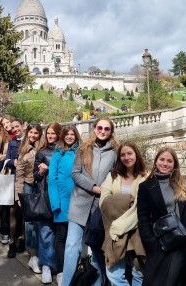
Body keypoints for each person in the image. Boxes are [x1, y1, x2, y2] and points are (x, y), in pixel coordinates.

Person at [137, 146, 186, 286]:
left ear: (174, 164)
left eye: (169, 161)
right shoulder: (146, 187)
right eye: (162, 159)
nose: (165, 163)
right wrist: (152, 243)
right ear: (156, 161)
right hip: (164, 244)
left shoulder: (184, 182)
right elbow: (143, 218)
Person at [62, 117, 119, 286]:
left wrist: (107, 190)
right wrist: (93, 187)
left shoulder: (116, 151)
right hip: (79, 203)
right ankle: (66, 283)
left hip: (100, 207)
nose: (102, 131)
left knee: (96, 249)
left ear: (111, 131)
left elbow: (117, 176)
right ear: (94, 129)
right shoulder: (83, 148)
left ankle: (96, 283)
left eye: (106, 129)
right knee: (72, 247)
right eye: (100, 128)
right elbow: (75, 173)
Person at [100, 141, 147, 286]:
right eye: (122, 155)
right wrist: (129, 202)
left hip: (137, 229)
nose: (126, 157)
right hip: (115, 230)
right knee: (114, 272)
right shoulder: (113, 176)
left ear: (136, 155)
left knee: (138, 272)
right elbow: (104, 201)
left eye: (130, 153)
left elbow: (144, 204)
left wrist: (119, 202)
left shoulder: (146, 176)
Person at [48, 124, 81, 286]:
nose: (69, 137)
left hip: (79, 201)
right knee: (61, 237)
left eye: (72, 134)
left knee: (76, 240)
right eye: (67, 135)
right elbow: (51, 180)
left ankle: (75, 270)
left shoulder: (81, 151)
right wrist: (55, 203)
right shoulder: (57, 154)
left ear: (76, 136)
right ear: (63, 137)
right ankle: (61, 271)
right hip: (61, 202)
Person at [33, 122, 63, 284]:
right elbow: (34, 177)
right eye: (48, 133)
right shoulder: (42, 151)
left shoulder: (64, 152)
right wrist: (41, 171)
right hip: (44, 196)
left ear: (59, 134)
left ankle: (59, 268)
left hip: (60, 198)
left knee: (60, 234)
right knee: (45, 233)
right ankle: (46, 266)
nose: (50, 136)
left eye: (53, 133)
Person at [15, 123, 44, 274]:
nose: (33, 135)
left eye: (35, 133)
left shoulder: (43, 148)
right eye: (30, 133)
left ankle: (42, 253)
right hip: (28, 187)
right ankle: (33, 255)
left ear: (40, 134)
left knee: (42, 220)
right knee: (30, 223)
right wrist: (18, 196)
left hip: (42, 188)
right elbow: (19, 175)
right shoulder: (23, 150)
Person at [6, 119, 25, 257]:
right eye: (13, 127)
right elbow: (6, 160)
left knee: (25, 211)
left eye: (17, 126)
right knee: (12, 211)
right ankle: (11, 242)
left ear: (22, 126)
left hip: (27, 180)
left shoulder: (29, 141)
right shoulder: (11, 143)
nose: (15, 129)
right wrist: (13, 162)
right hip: (13, 179)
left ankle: (23, 239)